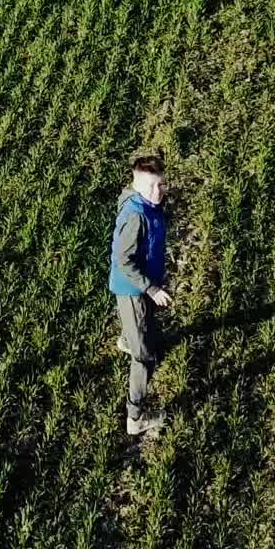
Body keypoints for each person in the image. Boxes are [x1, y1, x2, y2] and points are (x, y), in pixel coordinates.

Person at [109, 154, 172, 437]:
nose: (157, 192)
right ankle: (135, 418)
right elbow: (124, 261)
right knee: (144, 358)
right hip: (133, 289)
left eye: (160, 185)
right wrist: (152, 288)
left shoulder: (146, 203)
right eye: (151, 187)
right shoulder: (135, 215)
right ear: (136, 184)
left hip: (141, 284)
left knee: (142, 329)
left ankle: (127, 339)